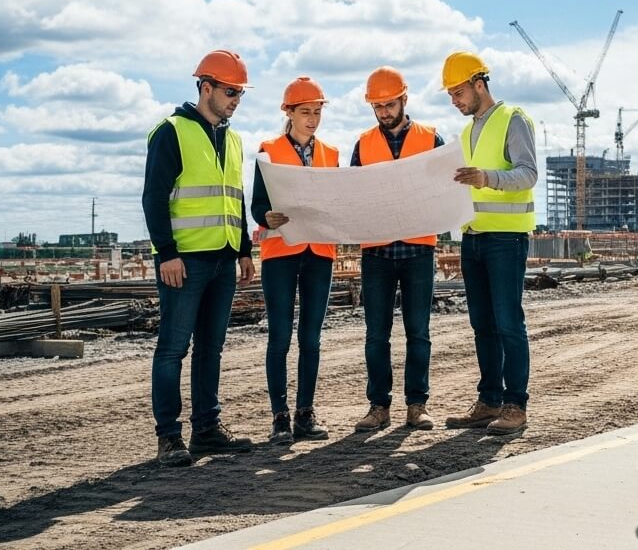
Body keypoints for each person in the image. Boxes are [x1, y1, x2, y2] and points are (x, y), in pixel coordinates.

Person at [143, 49, 257, 467]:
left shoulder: (233, 138)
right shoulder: (171, 131)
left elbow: (235, 198)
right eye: (231, 91)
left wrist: (244, 249)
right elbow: (154, 197)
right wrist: (166, 254)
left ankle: (207, 430)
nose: (235, 100)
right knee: (173, 349)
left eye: (240, 93)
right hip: (184, 262)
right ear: (205, 87)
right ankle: (169, 437)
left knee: (212, 348)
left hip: (224, 260)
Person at [440, 51, 538, 435]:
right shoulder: (466, 133)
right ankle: (489, 400)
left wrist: (485, 177)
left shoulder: (514, 119)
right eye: (450, 95)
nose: (455, 100)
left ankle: (515, 405)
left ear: (479, 84)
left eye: (458, 91)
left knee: (508, 322)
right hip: (473, 237)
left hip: (506, 238)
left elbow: (527, 174)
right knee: (482, 324)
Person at [349, 67, 445, 433]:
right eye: (377, 106)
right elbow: (354, 196)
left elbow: (442, 190)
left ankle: (416, 406)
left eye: (389, 104)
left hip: (418, 249)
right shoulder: (363, 144)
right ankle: (378, 406)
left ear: (404, 99)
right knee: (377, 334)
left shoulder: (431, 139)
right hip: (377, 253)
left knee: (418, 332)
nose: (384, 112)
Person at [250, 76, 339, 445]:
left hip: (319, 253)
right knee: (280, 336)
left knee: (311, 337)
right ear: (288, 112)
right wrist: (265, 218)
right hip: (281, 253)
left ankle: (305, 413)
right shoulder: (268, 151)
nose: (313, 119)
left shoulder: (331, 155)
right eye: (306, 112)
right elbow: (257, 204)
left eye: (317, 112)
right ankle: (280, 417)